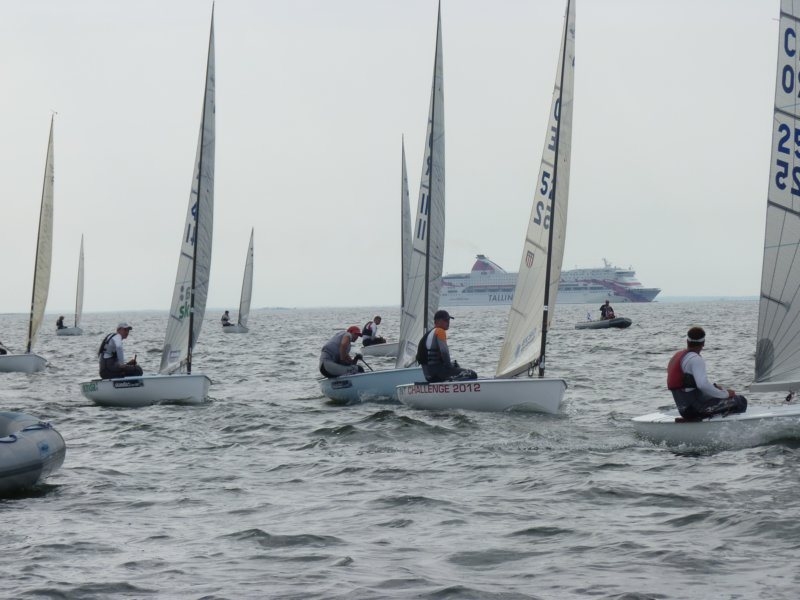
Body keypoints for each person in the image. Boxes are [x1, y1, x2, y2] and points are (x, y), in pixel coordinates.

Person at [667, 326, 747, 421]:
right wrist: (725, 394)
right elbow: (702, 385)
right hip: (696, 409)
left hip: (684, 410)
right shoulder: (695, 359)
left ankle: (695, 419)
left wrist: (714, 388)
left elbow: (688, 385)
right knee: (741, 401)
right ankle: (718, 425)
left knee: (717, 395)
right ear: (703, 343)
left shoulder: (678, 356)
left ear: (687, 341)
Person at [417, 309, 477, 383]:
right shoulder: (440, 331)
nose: (448, 322)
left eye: (448, 320)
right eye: (446, 320)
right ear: (438, 321)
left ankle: (452, 379)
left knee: (455, 365)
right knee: (472, 374)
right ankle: (451, 381)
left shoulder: (429, 333)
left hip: (429, 375)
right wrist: (449, 366)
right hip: (438, 374)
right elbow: (444, 352)